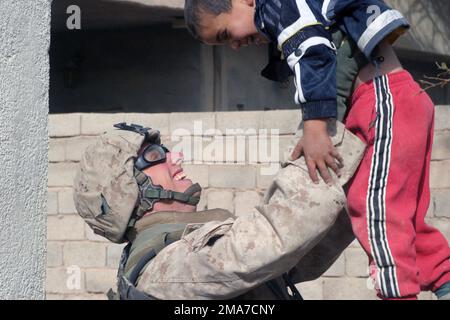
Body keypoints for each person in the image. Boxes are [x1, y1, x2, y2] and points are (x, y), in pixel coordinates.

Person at [183, 0, 450, 299]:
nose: (233, 46)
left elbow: (315, 52)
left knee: (375, 209)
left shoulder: (282, 7)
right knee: (402, 214)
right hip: (392, 101)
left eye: (225, 35)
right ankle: (445, 282)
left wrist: (316, 126)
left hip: (383, 101)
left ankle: (398, 295)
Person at [73, 121, 366, 300]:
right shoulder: (162, 272)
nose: (175, 157)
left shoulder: (179, 251)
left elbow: (300, 254)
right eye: (154, 156)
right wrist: (323, 127)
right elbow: (277, 236)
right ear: (125, 192)